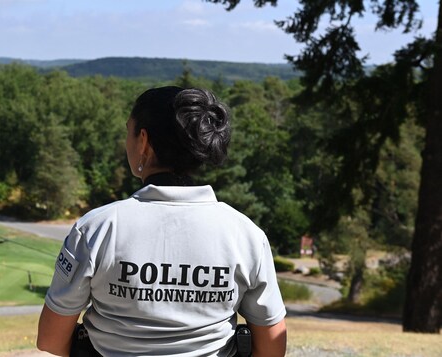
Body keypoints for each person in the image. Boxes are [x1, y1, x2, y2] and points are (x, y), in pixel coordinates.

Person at [37, 86, 287, 356]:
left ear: (143, 141)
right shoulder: (246, 235)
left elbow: (50, 339)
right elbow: (272, 346)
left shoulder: (96, 228)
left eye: (127, 132)